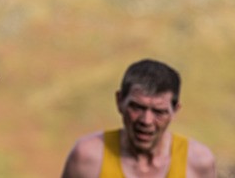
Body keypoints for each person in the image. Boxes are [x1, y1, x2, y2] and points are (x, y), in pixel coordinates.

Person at [61, 59, 216, 178]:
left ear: (175, 111)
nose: (146, 121)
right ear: (119, 101)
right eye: (137, 107)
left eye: (159, 112)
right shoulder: (88, 158)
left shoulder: (197, 162)